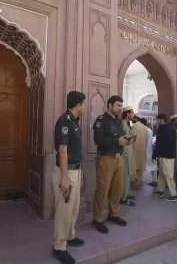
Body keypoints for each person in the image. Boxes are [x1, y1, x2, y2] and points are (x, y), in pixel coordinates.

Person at [52, 91, 86, 264]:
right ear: (78, 105)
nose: (84, 108)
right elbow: (63, 151)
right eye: (84, 105)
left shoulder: (74, 122)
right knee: (64, 211)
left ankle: (70, 236)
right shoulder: (64, 121)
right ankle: (59, 247)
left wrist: (79, 170)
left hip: (75, 171)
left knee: (73, 208)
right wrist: (65, 178)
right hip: (66, 173)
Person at [92, 96, 131, 234]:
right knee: (103, 190)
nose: (120, 108)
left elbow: (119, 137)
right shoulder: (101, 120)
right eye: (118, 105)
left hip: (119, 158)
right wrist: (117, 142)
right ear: (110, 105)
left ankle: (113, 214)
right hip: (106, 158)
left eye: (121, 105)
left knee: (117, 189)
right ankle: (98, 219)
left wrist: (125, 141)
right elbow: (98, 139)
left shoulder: (119, 121)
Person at [152, 113, 177, 202]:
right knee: (162, 173)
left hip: (165, 156)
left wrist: (154, 155)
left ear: (162, 120)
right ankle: (160, 190)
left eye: (158, 120)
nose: (157, 122)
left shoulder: (162, 128)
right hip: (168, 155)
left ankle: (174, 194)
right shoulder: (172, 128)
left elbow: (158, 144)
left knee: (168, 175)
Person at [120, 106, 136, 207]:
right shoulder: (121, 123)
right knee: (125, 175)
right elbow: (121, 138)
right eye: (132, 113)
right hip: (125, 152)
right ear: (127, 114)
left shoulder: (127, 124)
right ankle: (123, 198)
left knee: (128, 175)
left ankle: (125, 194)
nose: (133, 115)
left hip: (128, 151)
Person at [130, 113, 148, 189]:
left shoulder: (134, 126)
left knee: (134, 165)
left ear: (136, 118)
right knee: (140, 166)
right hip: (143, 150)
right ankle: (138, 181)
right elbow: (146, 139)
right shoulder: (145, 127)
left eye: (133, 118)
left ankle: (134, 181)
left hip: (135, 149)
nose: (132, 119)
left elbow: (132, 138)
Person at [141, 118, 157, 186]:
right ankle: (155, 180)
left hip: (144, 150)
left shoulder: (143, 130)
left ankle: (140, 180)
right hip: (149, 150)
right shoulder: (150, 130)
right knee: (153, 166)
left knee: (140, 166)